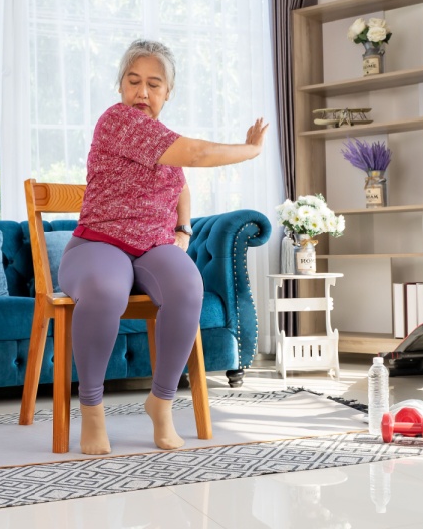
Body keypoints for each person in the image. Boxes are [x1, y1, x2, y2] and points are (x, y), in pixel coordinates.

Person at [58, 38, 268, 455]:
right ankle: (93, 411)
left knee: (188, 287)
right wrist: (252, 150)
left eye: (154, 84)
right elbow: (198, 153)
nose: (142, 92)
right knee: (105, 289)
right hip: (98, 242)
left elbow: (180, 183)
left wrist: (184, 230)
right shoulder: (117, 121)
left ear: (167, 93)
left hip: (152, 246)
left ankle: (162, 401)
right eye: (133, 81)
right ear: (120, 87)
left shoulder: (161, 137)